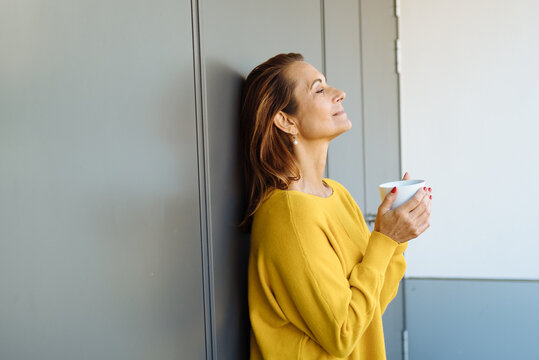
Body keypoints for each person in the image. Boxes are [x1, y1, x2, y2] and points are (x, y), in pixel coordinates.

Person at [239, 53, 432, 359]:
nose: (339, 94)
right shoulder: (288, 216)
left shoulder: (337, 194)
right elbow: (342, 335)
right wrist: (385, 239)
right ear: (285, 121)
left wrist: (397, 240)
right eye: (318, 89)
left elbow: (370, 308)